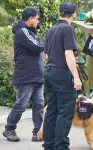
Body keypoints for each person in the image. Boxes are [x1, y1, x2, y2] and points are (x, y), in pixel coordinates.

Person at [42, 2, 82, 150]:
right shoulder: (67, 29)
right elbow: (68, 53)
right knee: (65, 112)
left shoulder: (51, 29)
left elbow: (47, 55)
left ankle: (49, 145)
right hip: (63, 74)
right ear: (74, 14)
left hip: (50, 73)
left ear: (59, 13)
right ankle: (61, 146)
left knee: (52, 110)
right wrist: (76, 77)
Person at [3, 7, 45, 142]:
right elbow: (38, 47)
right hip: (26, 77)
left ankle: (38, 132)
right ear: (31, 18)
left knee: (39, 105)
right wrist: (48, 36)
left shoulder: (30, 32)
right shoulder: (22, 32)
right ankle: (9, 129)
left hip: (37, 76)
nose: (38, 21)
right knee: (21, 105)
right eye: (37, 18)